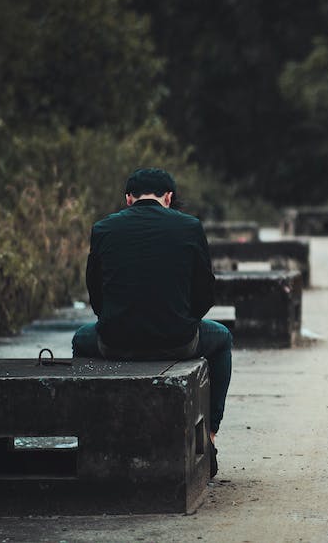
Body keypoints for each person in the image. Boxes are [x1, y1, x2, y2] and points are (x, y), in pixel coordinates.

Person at [72, 167, 232, 477]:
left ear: (129, 198)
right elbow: (205, 294)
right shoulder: (191, 227)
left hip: (114, 343)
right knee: (222, 338)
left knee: (81, 338)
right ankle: (210, 435)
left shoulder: (103, 228)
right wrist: (181, 320)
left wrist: (118, 322)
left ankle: (93, 435)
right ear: (168, 197)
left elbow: (96, 295)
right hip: (178, 342)